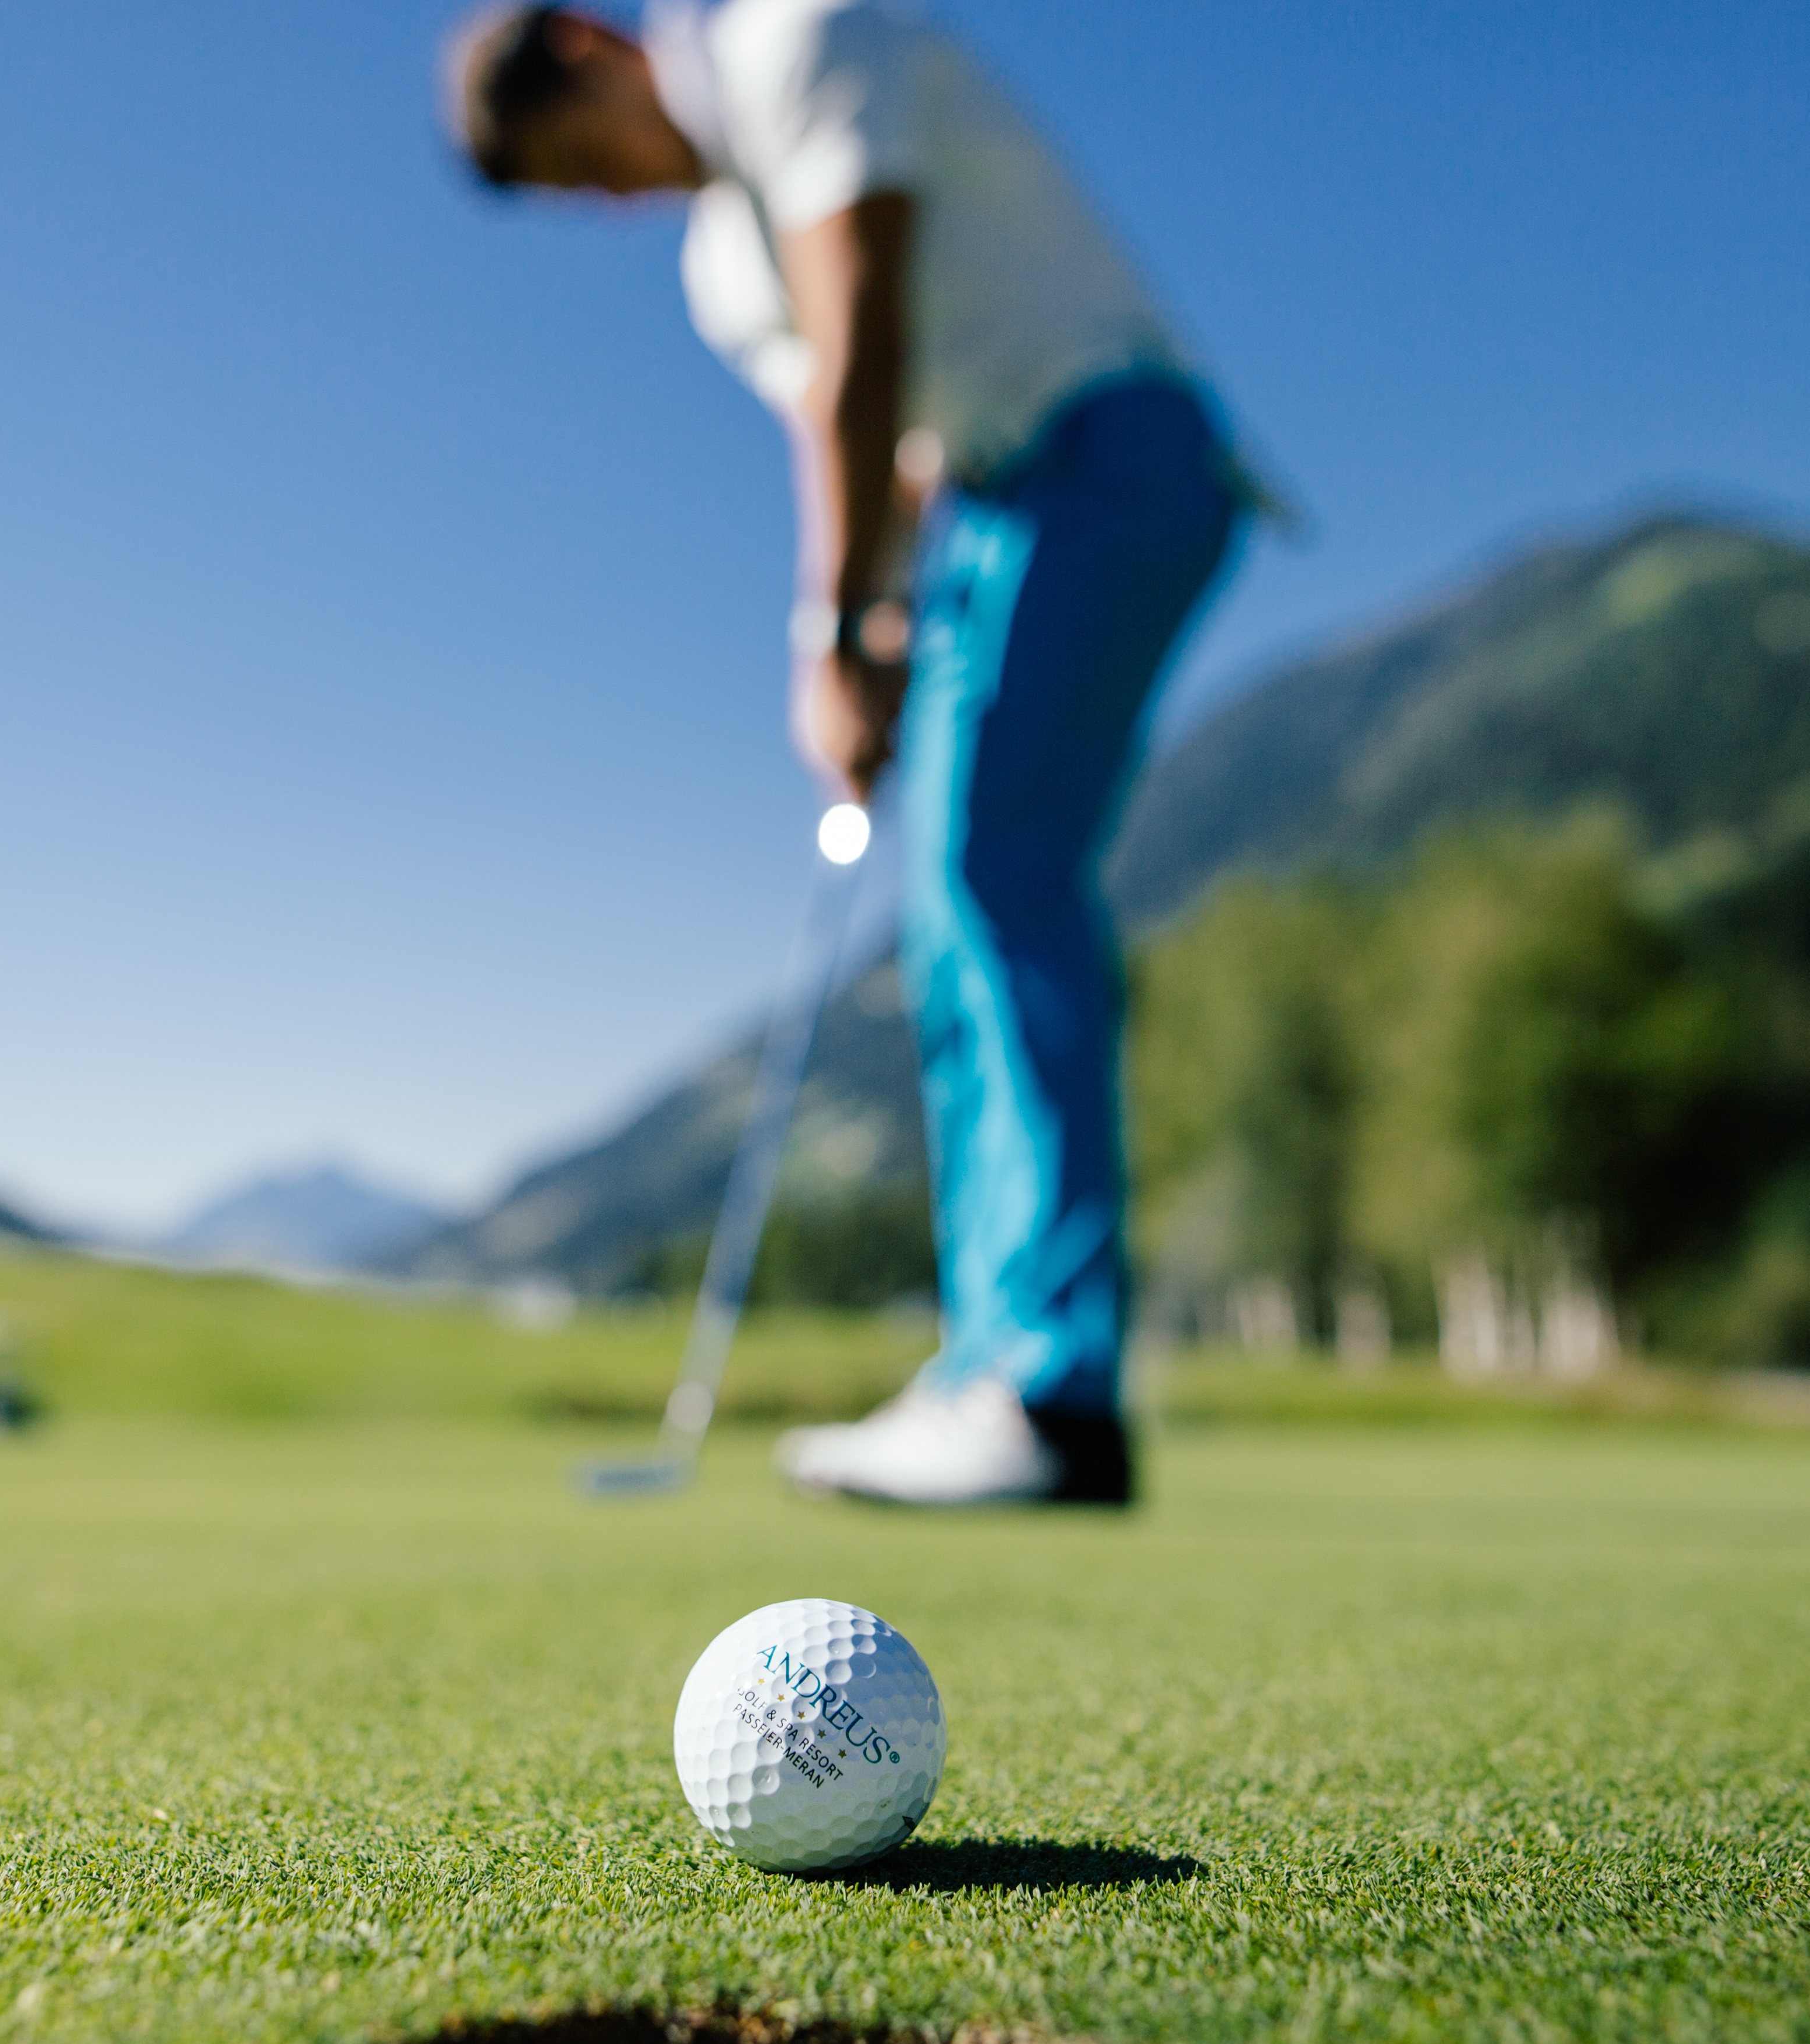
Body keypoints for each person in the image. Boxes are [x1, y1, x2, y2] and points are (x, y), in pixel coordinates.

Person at [445, 0, 1250, 1507]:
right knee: (947, 919)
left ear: (591, 48)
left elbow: (867, 307)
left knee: (993, 878)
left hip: (1112, 448)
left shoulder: (789, 32)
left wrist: (834, 626)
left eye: (584, 164)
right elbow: (882, 439)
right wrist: (877, 642)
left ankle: (1052, 1387)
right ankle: (995, 1363)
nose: (610, 201)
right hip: (989, 505)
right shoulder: (712, 269)